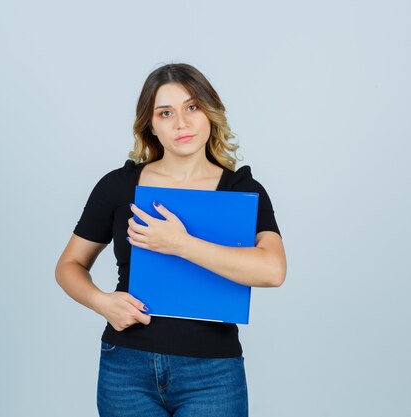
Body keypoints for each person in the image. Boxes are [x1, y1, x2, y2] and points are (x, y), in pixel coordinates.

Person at [55, 63, 287, 417]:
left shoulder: (242, 191)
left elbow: (272, 270)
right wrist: (102, 302)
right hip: (125, 369)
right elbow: (69, 265)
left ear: (210, 113)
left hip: (212, 374)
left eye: (192, 107)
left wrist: (180, 243)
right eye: (166, 113)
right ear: (151, 125)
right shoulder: (119, 186)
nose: (182, 122)